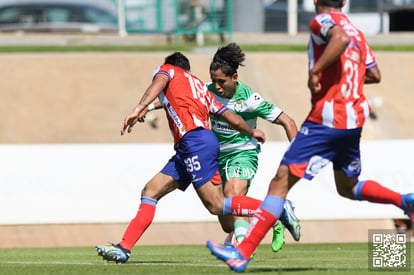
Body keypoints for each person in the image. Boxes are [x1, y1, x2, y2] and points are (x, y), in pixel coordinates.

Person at [206, 0, 414, 272]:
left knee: (279, 183)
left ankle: (242, 253)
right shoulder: (358, 32)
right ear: (345, 2)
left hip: (327, 118)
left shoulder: (322, 22)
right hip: (354, 117)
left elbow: (337, 38)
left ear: (316, 2)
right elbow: (374, 74)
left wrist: (316, 71)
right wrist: (342, 77)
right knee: (348, 187)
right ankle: (405, 200)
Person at [95, 52, 268, 264]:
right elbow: (227, 114)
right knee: (150, 191)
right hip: (191, 145)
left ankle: (275, 209)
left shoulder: (168, 70)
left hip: (194, 141)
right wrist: (251, 132)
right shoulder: (199, 88)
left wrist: (139, 107)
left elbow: (158, 83)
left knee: (216, 205)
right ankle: (124, 248)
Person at [207, 42, 300, 253]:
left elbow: (288, 121)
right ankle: (273, 218)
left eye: (221, 82)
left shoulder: (249, 99)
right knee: (227, 219)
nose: (217, 86)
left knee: (232, 194)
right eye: (214, 81)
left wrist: (297, 156)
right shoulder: (207, 92)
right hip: (217, 158)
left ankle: (242, 250)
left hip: (243, 153)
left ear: (235, 78)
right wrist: (146, 107)